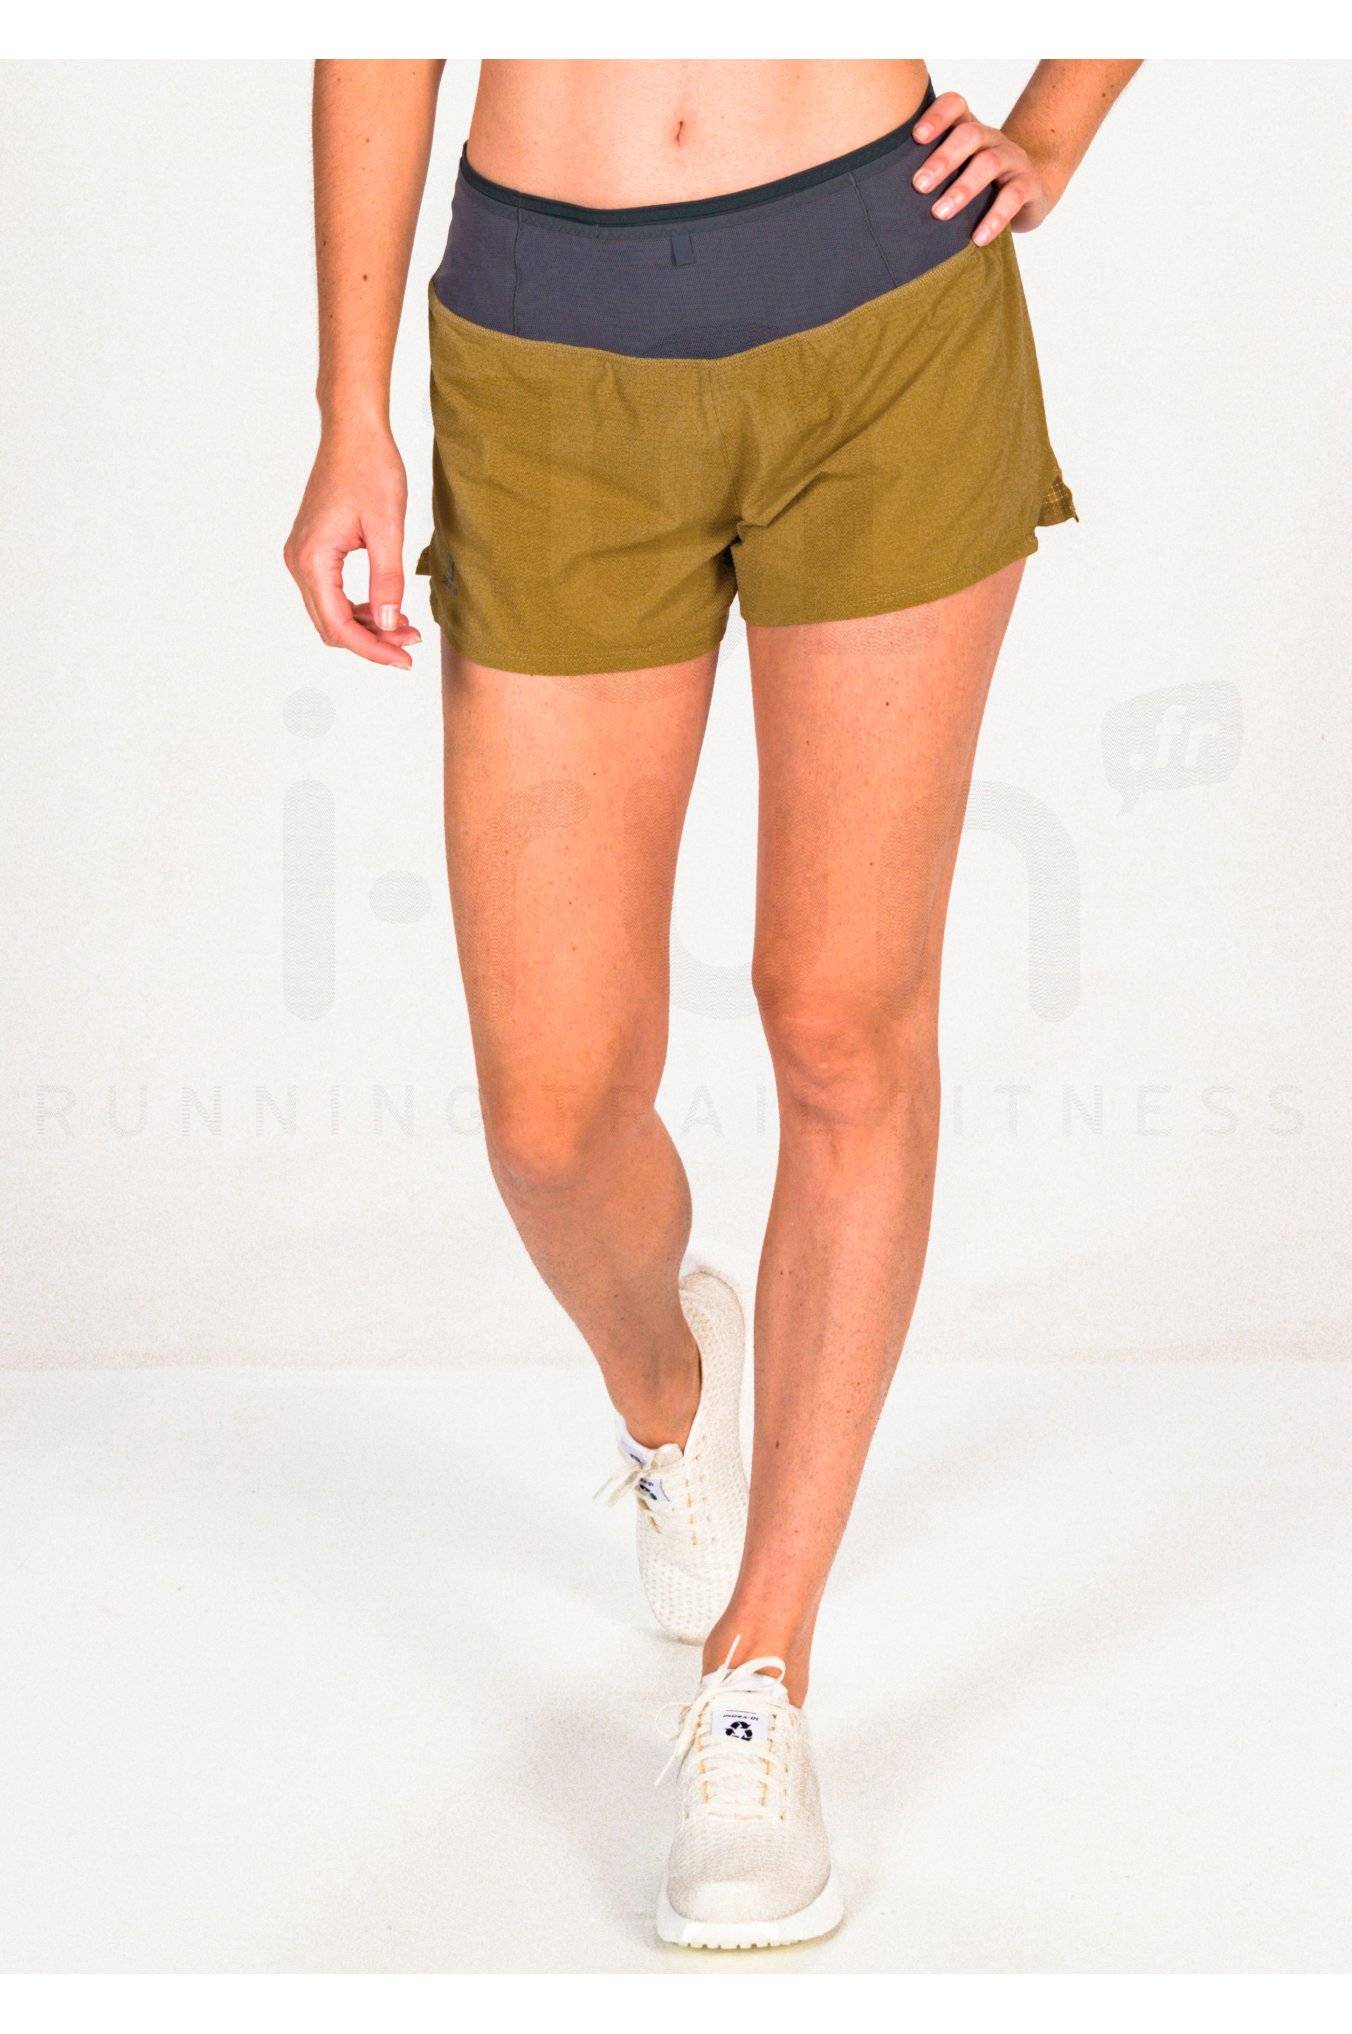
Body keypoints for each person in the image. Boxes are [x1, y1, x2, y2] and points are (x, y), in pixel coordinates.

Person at [285, 56, 1140, 1950]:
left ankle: (760, 1670)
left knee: (844, 1023)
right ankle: (671, 1385)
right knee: (550, 1117)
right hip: (545, 344)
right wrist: (351, 406)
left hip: (887, 314)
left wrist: (1058, 125)